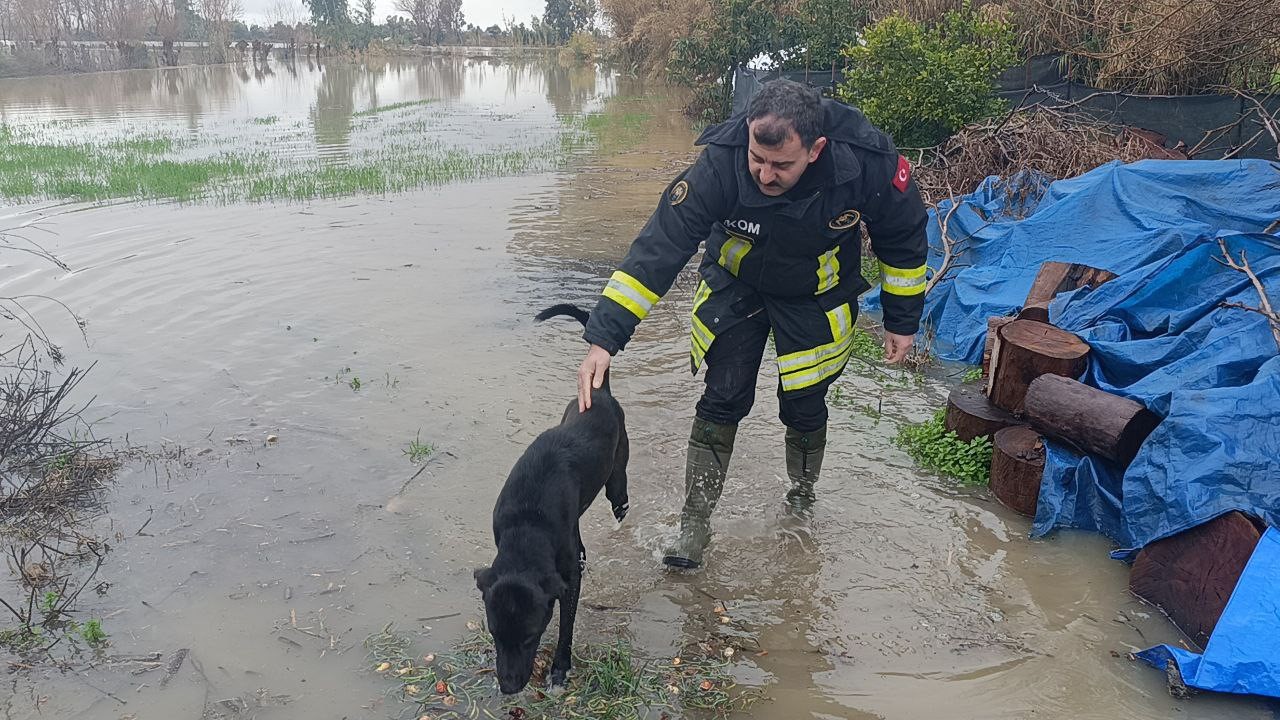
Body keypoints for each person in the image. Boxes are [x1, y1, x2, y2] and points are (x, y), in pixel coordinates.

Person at [575, 79, 929, 569]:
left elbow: (903, 236)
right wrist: (603, 338)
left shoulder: (865, 162)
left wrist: (902, 320)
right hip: (736, 284)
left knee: (805, 403)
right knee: (723, 396)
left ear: (816, 149)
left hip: (816, 291)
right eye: (757, 159)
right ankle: (694, 525)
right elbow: (660, 246)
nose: (765, 174)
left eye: (781, 165)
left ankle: (801, 499)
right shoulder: (720, 163)